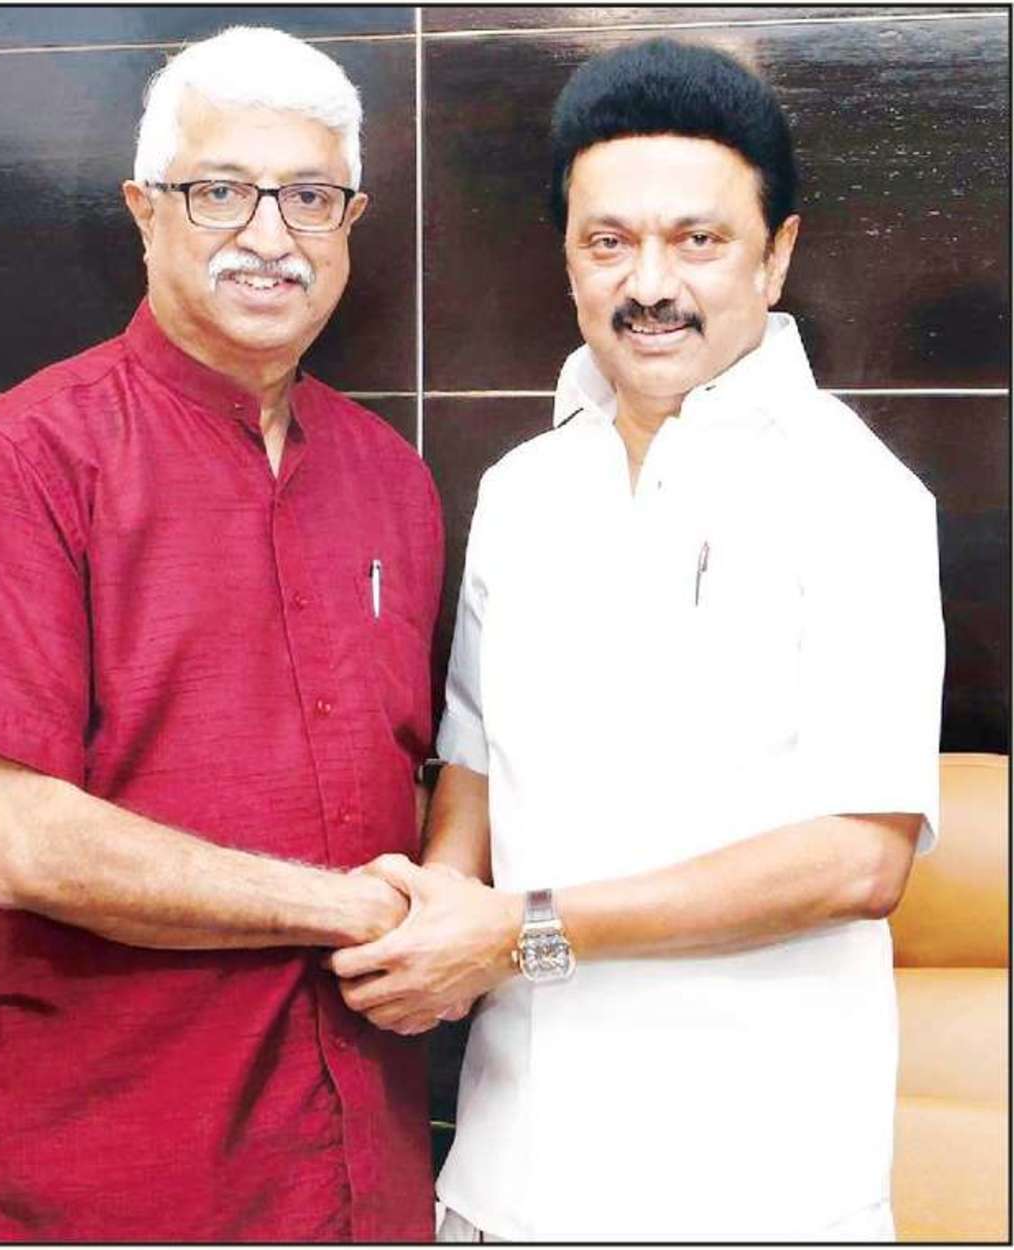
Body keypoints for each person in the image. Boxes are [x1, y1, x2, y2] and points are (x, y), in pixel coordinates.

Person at [331, 38, 944, 1242]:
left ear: (776, 254)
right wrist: (440, 910)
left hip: (757, 1197)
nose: (649, 283)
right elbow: (477, 768)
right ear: (566, 256)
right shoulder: (521, 488)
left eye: (697, 239)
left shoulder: (859, 494)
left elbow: (858, 860)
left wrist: (519, 931)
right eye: (608, 241)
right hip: (508, 1182)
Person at [0, 25, 442, 1243]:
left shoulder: (392, 479)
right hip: (133, 1177)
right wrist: (350, 909)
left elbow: (418, 780)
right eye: (221, 191)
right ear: (145, 211)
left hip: (368, 1171)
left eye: (309, 196)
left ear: (350, 223)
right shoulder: (29, 457)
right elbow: (30, 846)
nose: (270, 235)